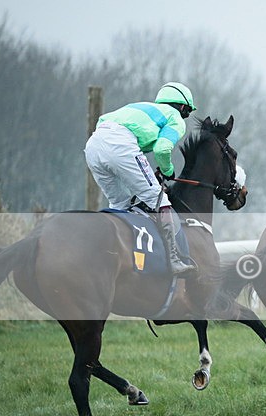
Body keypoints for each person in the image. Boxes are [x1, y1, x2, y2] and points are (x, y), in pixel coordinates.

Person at [84, 82, 197, 276]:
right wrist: (167, 169)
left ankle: (115, 254)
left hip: (93, 146)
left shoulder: (141, 107)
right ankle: (174, 260)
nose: (184, 117)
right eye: (186, 112)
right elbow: (162, 148)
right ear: (183, 107)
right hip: (121, 145)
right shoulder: (175, 118)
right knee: (159, 200)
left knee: (121, 204)